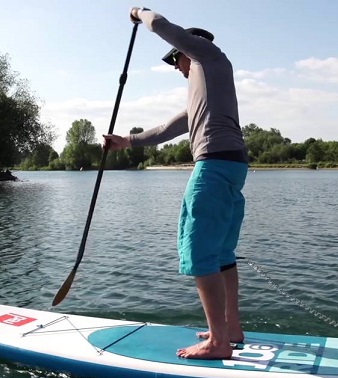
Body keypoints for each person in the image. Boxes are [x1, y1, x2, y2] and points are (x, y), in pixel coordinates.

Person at [103, 7, 248, 360]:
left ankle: (218, 343)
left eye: (176, 62)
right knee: (221, 253)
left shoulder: (207, 57)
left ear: (187, 51)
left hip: (213, 166)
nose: (177, 70)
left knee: (199, 252)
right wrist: (128, 140)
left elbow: (166, 28)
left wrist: (139, 11)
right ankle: (230, 328)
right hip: (232, 166)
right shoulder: (208, 87)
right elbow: (169, 128)